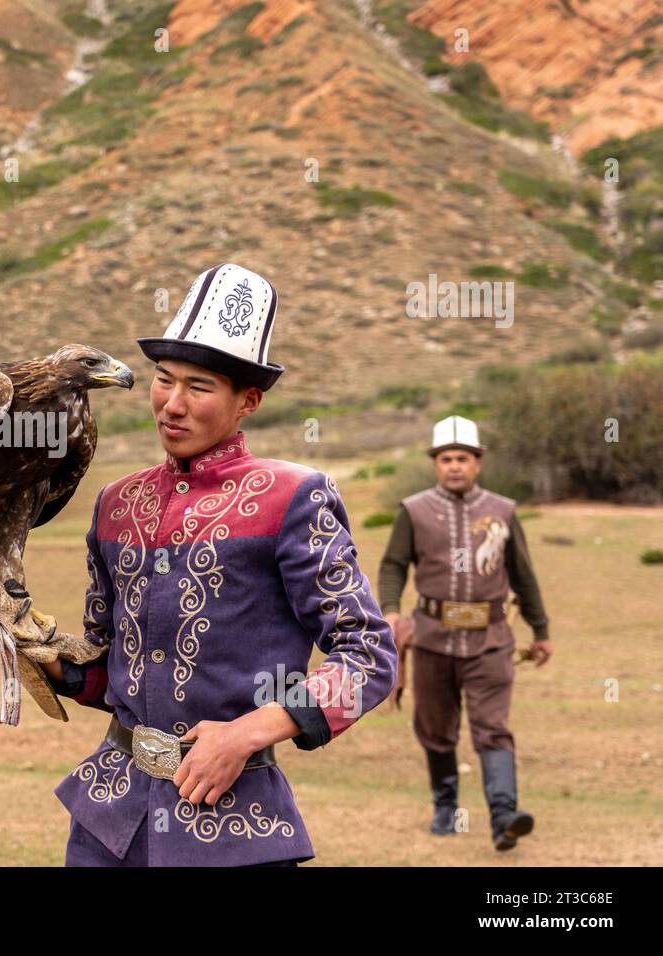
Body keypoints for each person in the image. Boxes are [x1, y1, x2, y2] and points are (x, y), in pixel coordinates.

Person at [41, 262, 398, 866]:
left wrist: (246, 733)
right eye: (163, 379)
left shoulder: (294, 499)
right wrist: (58, 665)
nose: (171, 405)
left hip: (233, 829)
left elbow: (369, 657)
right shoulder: (115, 504)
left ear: (248, 401)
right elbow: (111, 668)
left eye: (199, 387)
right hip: (108, 821)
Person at [377, 415, 550, 851]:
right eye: (447, 458)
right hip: (432, 638)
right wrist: (392, 611)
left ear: (479, 463)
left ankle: (504, 818)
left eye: (464, 458)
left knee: (492, 728)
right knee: (435, 727)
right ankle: (446, 806)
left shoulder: (504, 511)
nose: (455, 466)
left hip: (491, 640)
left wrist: (541, 629)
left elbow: (523, 575)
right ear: (437, 463)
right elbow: (394, 565)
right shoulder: (413, 510)